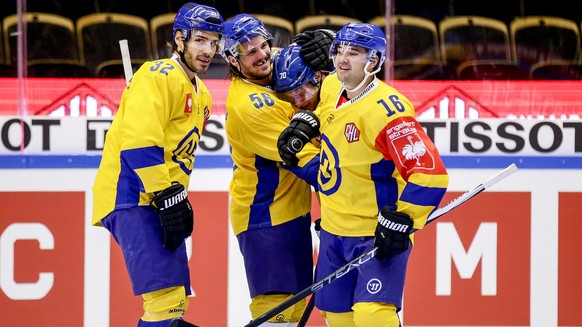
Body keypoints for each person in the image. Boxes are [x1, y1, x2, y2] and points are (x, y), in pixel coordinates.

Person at [277, 22, 450, 327]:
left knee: (373, 316)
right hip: (332, 233)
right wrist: (309, 120)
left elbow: (430, 175)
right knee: (337, 316)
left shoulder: (388, 111)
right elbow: (329, 116)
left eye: (354, 53)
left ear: (373, 61)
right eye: (339, 50)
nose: (343, 59)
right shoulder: (331, 87)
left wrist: (403, 219)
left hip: (373, 234)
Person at [91, 3, 224, 327]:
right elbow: (139, 145)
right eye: (200, 41)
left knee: (173, 300)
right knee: (165, 301)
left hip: (155, 199)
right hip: (133, 195)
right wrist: (166, 196)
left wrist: (173, 198)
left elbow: (176, 156)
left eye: (214, 42)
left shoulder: (202, 95)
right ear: (179, 38)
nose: (209, 50)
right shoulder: (157, 75)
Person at [220, 14, 332, 326]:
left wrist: (329, 45)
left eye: (264, 45)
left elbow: (319, 61)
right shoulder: (250, 107)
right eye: (249, 51)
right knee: (277, 310)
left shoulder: (273, 64)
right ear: (232, 59)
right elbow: (310, 162)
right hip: (264, 217)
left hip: (291, 211)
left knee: (295, 310)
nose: (263, 54)